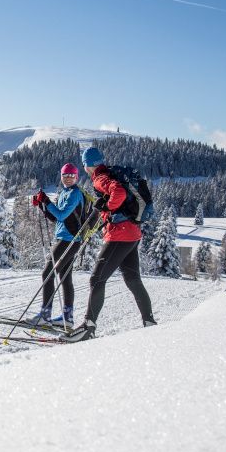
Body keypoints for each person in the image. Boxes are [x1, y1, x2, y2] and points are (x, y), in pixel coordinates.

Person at [68, 146, 156, 342]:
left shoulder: (100, 178)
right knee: (133, 280)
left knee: (96, 279)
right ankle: (149, 322)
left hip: (120, 235)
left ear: (87, 165)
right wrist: (106, 210)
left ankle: (88, 327)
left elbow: (119, 193)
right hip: (132, 233)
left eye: (85, 165)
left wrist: (107, 206)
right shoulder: (110, 172)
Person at [29, 163, 89, 326]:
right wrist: (42, 205)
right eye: (65, 175)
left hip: (69, 240)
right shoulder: (64, 193)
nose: (68, 178)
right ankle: (67, 319)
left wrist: (47, 201)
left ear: (76, 177)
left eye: (71, 176)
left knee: (47, 273)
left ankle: (45, 315)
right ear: (61, 177)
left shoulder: (75, 194)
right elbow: (57, 218)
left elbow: (61, 215)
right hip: (67, 239)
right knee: (65, 278)